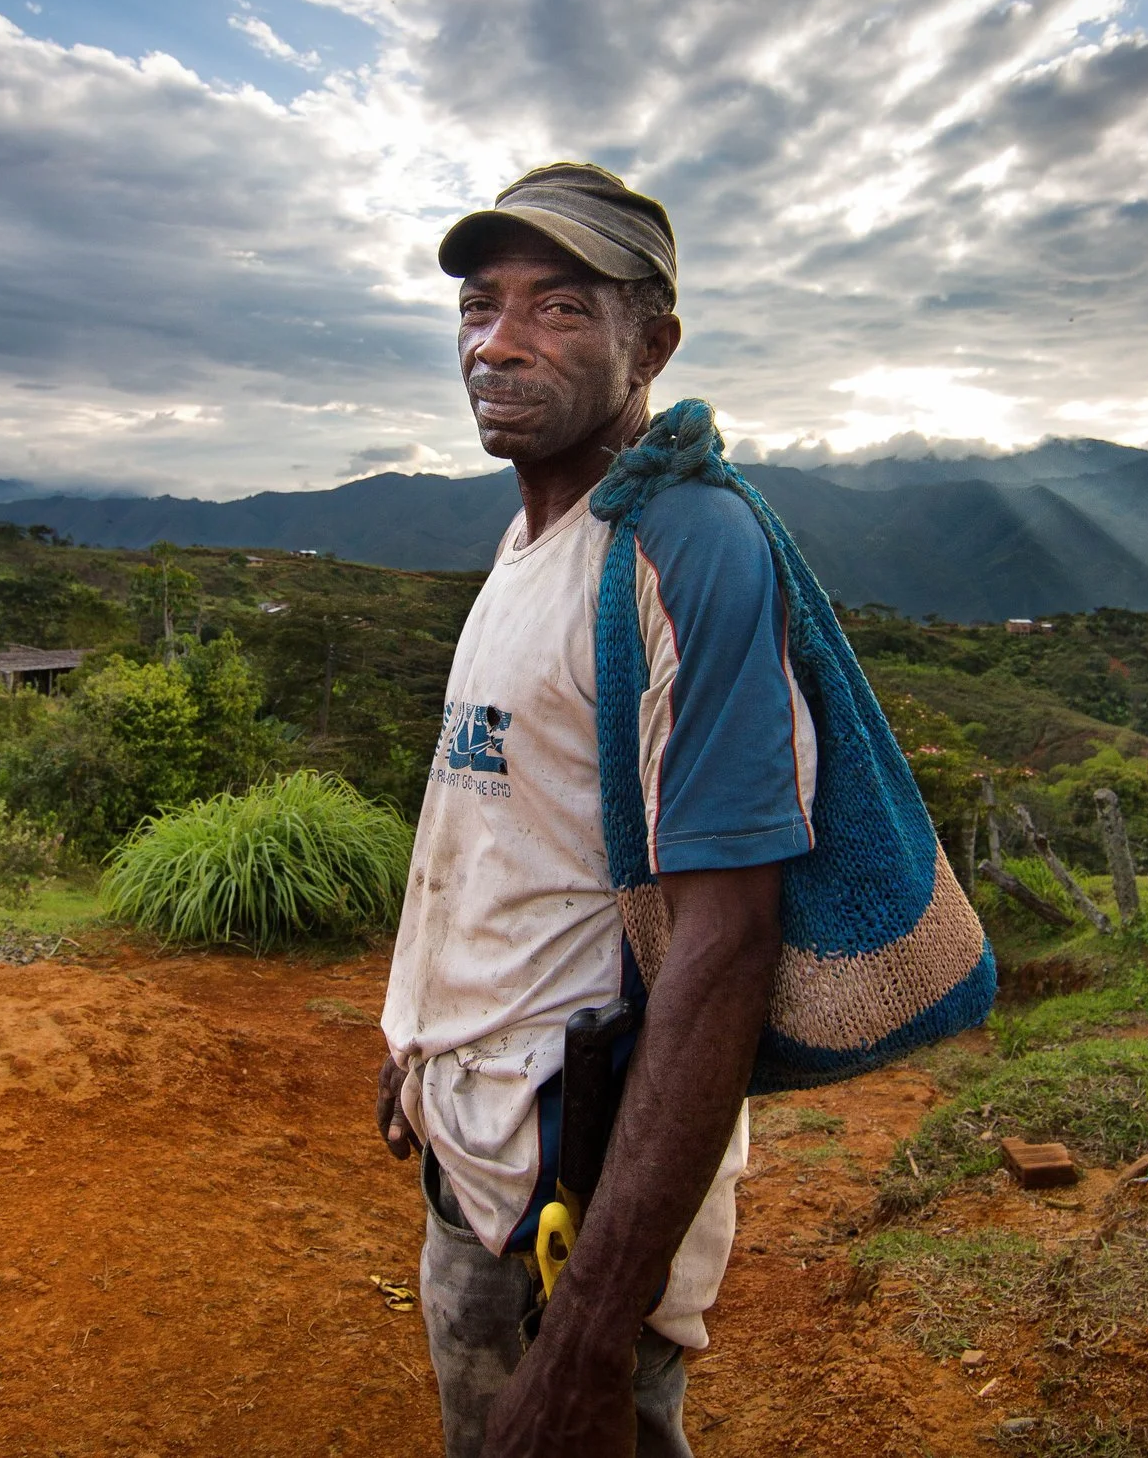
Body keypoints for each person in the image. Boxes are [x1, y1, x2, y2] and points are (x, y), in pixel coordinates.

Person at [378, 164, 816, 1458]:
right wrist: (418, 1030)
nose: (497, 341)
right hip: (473, 1137)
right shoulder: (529, 541)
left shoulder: (689, 550)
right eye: (479, 304)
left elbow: (727, 941)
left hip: (571, 1201)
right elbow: (503, 830)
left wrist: (588, 1333)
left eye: (559, 307)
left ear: (653, 342)